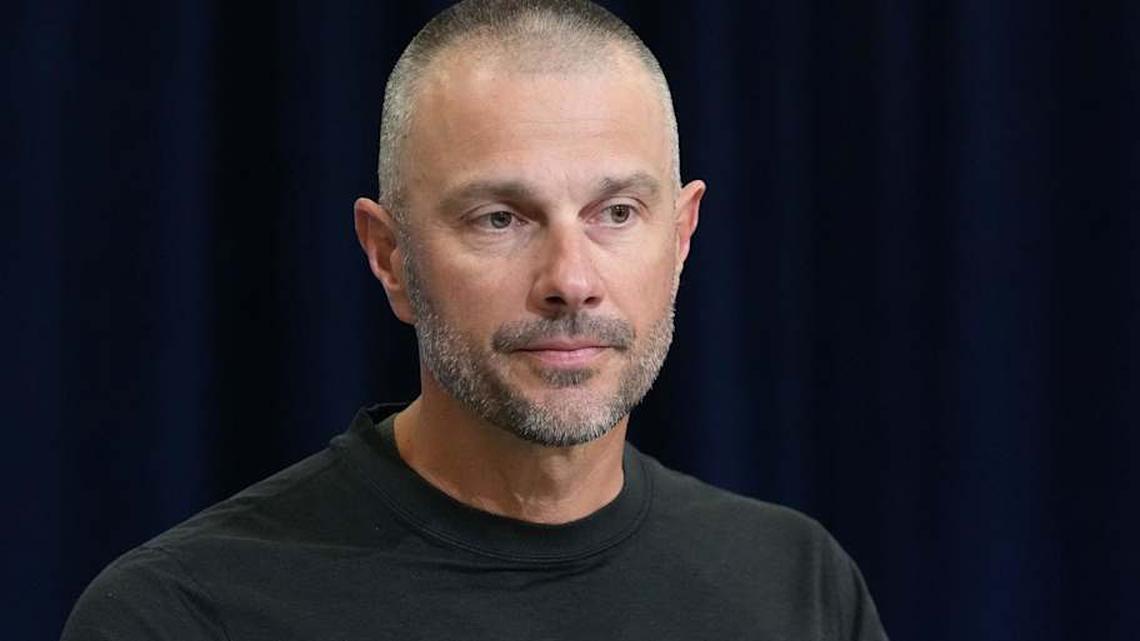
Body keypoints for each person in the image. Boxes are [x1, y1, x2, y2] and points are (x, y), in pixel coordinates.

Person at [62, 1, 888, 639]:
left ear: (681, 237)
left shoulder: (796, 589)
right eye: (501, 218)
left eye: (617, 213)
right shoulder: (182, 615)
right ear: (389, 256)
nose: (570, 280)